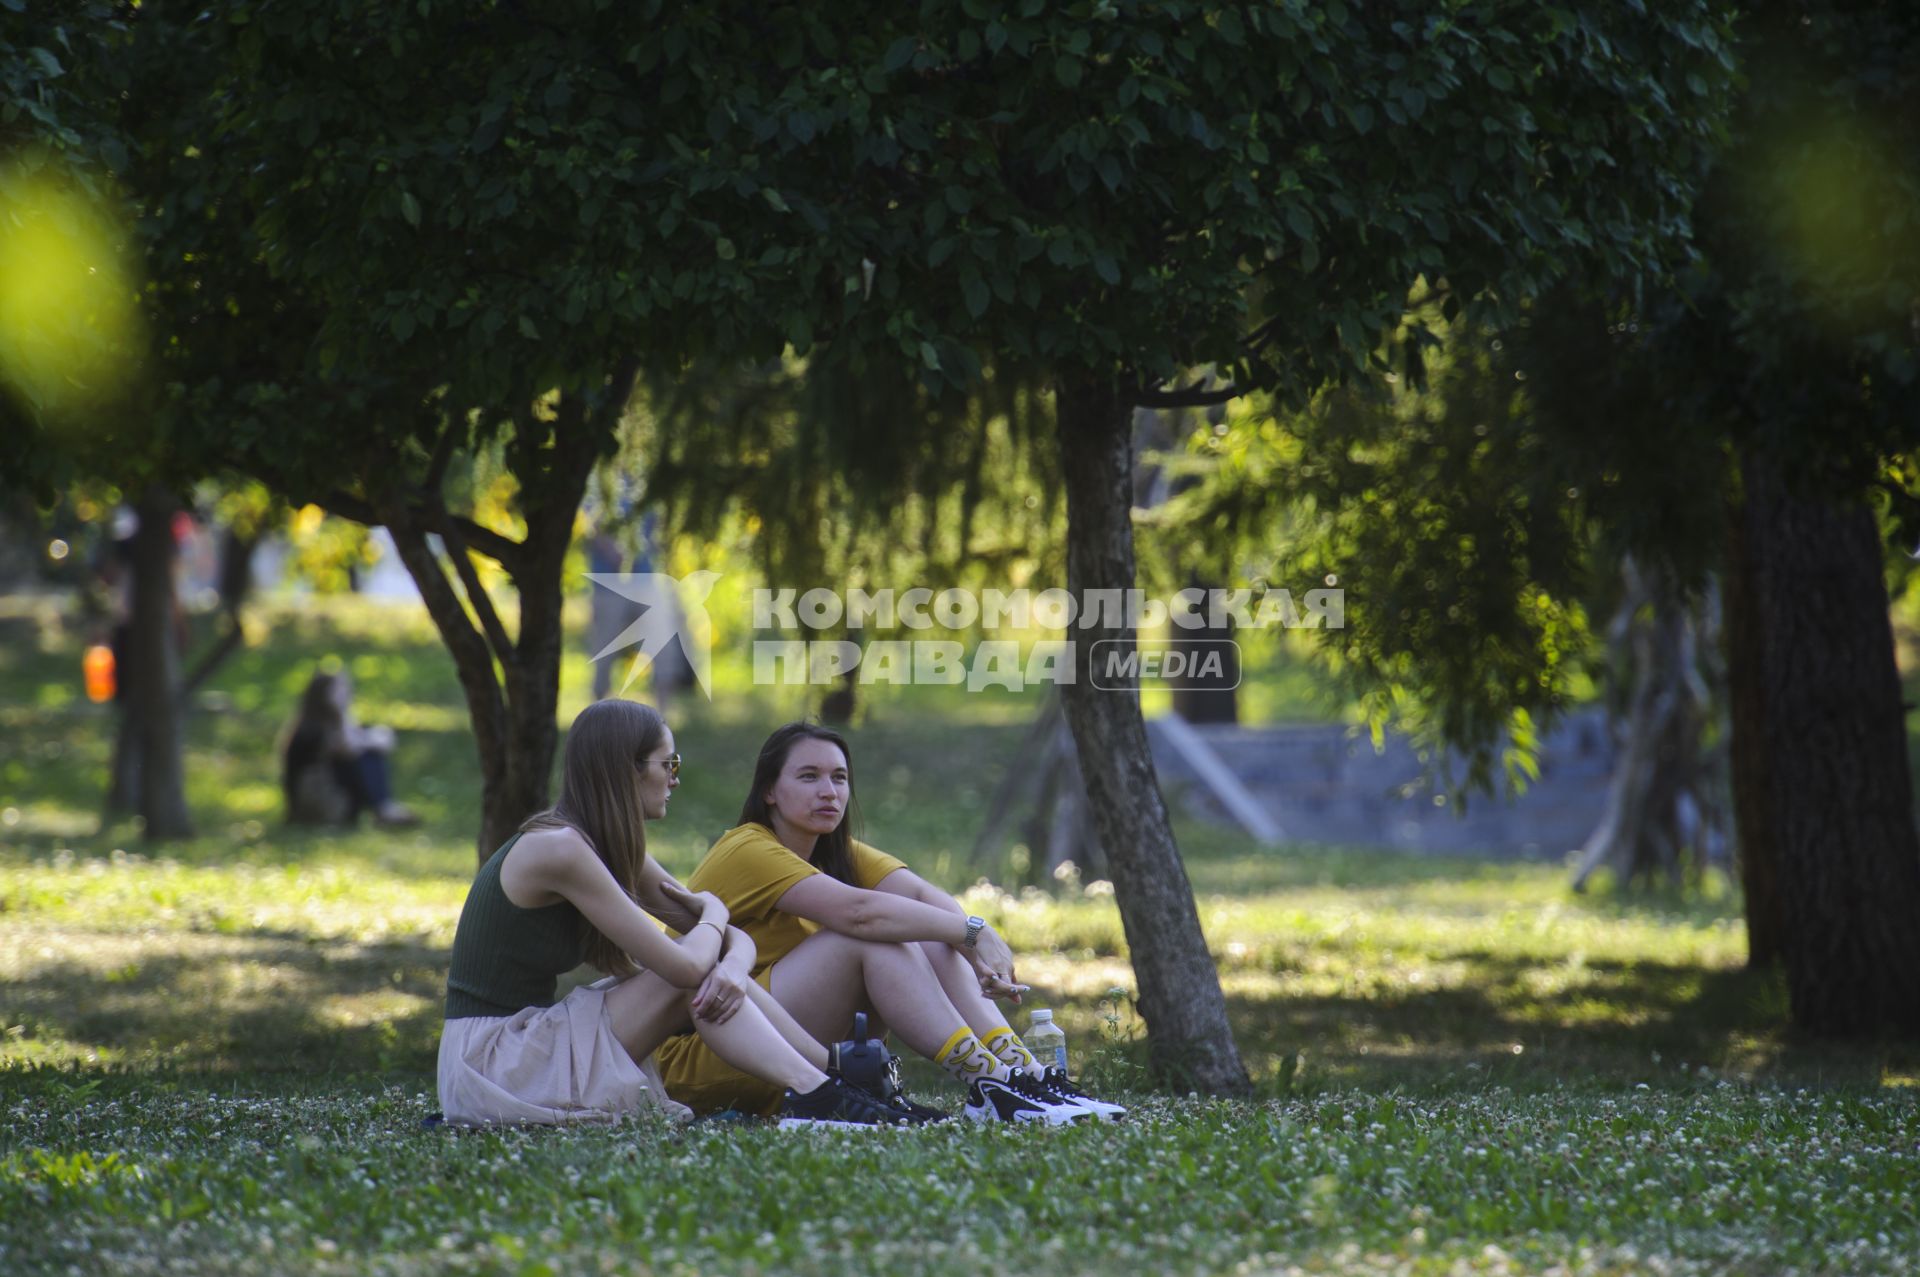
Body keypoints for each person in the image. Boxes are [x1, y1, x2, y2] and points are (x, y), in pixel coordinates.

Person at [436, 699, 905, 1129]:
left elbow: (723, 942)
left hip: (528, 1044)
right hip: (491, 1062)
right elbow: (686, 965)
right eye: (669, 763)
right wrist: (716, 914)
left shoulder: (608, 846)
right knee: (689, 975)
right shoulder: (559, 850)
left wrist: (733, 962)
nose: (677, 777)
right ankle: (821, 1092)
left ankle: (832, 1084)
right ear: (628, 769)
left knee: (706, 970)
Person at [656, 722, 1126, 1124]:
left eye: (839, 778)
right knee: (872, 939)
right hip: (708, 1053)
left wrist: (974, 944)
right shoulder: (749, 848)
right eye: (809, 776)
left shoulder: (831, 851)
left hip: (791, 1049)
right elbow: (861, 916)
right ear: (769, 792)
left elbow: (924, 897)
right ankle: (992, 1083)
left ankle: (1023, 1075)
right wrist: (975, 933)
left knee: (925, 927)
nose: (829, 791)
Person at [281, 666, 419, 828]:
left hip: (333, 796)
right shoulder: (312, 729)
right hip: (316, 802)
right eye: (339, 690)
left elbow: (382, 741)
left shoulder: (333, 724)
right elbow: (348, 749)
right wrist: (344, 715)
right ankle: (383, 808)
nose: (346, 694)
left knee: (368, 751)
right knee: (364, 755)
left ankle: (384, 807)